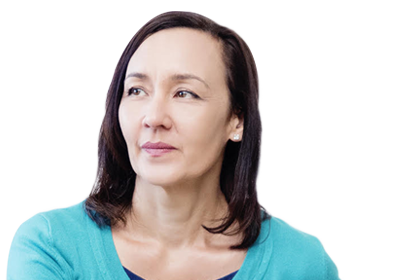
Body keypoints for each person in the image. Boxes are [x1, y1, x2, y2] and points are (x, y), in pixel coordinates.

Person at [7, 11, 342, 280]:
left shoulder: (302, 264)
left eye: (185, 93)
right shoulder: (52, 246)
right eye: (136, 90)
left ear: (236, 120)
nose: (154, 117)